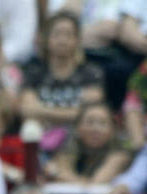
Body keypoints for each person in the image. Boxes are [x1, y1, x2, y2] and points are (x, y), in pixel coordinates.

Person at [19, 11, 105, 154]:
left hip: (78, 140)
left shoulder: (90, 73)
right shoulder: (34, 71)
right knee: (30, 128)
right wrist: (69, 113)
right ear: (47, 39)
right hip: (41, 136)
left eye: (68, 35)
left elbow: (87, 115)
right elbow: (27, 110)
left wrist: (42, 111)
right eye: (57, 34)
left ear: (77, 40)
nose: (62, 40)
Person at [43, 99, 130, 188]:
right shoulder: (69, 150)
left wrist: (56, 174)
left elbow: (95, 185)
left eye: (102, 123)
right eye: (90, 122)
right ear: (77, 128)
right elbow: (54, 168)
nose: (95, 129)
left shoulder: (119, 155)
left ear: (112, 131)